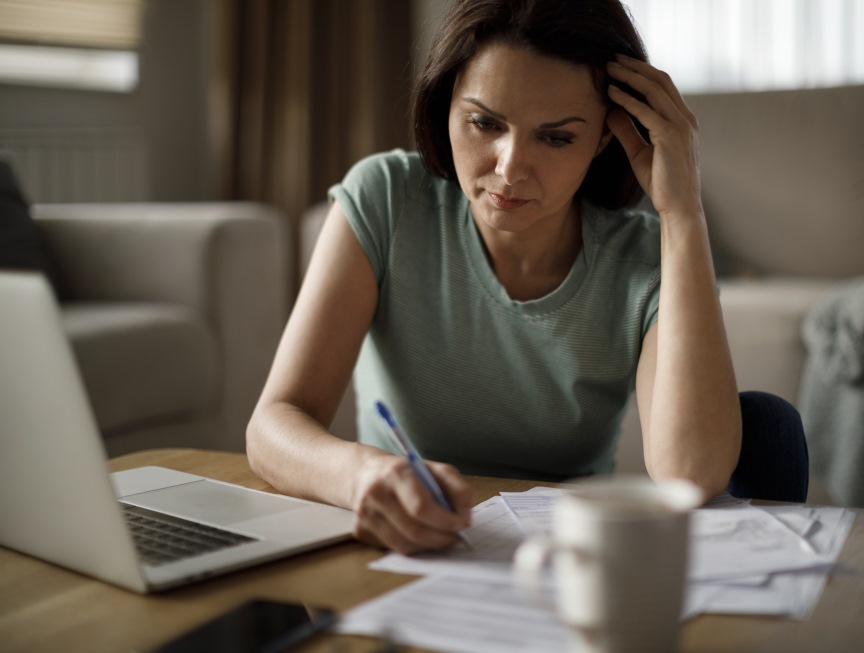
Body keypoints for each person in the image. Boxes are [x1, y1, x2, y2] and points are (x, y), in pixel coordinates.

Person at [247, 0, 745, 555]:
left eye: (556, 138)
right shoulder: (386, 199)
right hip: (398, 554)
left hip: (562, 564)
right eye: (485, 123)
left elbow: (691, 476)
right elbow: (273, 425)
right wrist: (360, 476)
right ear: (446, 107)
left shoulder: (648, 259)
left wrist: (683, 215)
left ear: (606, 138)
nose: (509, 169)